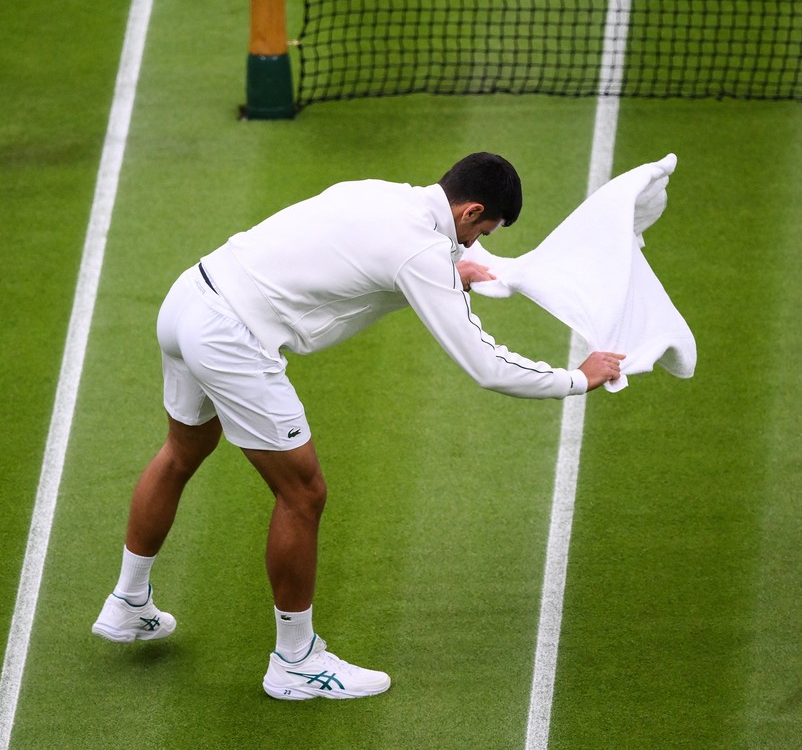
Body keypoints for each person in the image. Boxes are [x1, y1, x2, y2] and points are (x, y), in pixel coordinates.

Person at [91, 153, 624, 700]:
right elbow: (485, 366)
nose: (471, 246)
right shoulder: (420, 251)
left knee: (183, 451)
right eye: (478, 234)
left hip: (188, 299)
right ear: (471, 211)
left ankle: (128, 603)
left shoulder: (382, 193)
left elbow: (364, 257)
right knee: (303, 493)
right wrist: (576, 378)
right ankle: (295, 661)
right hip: (231, 338)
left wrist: (446, 270)